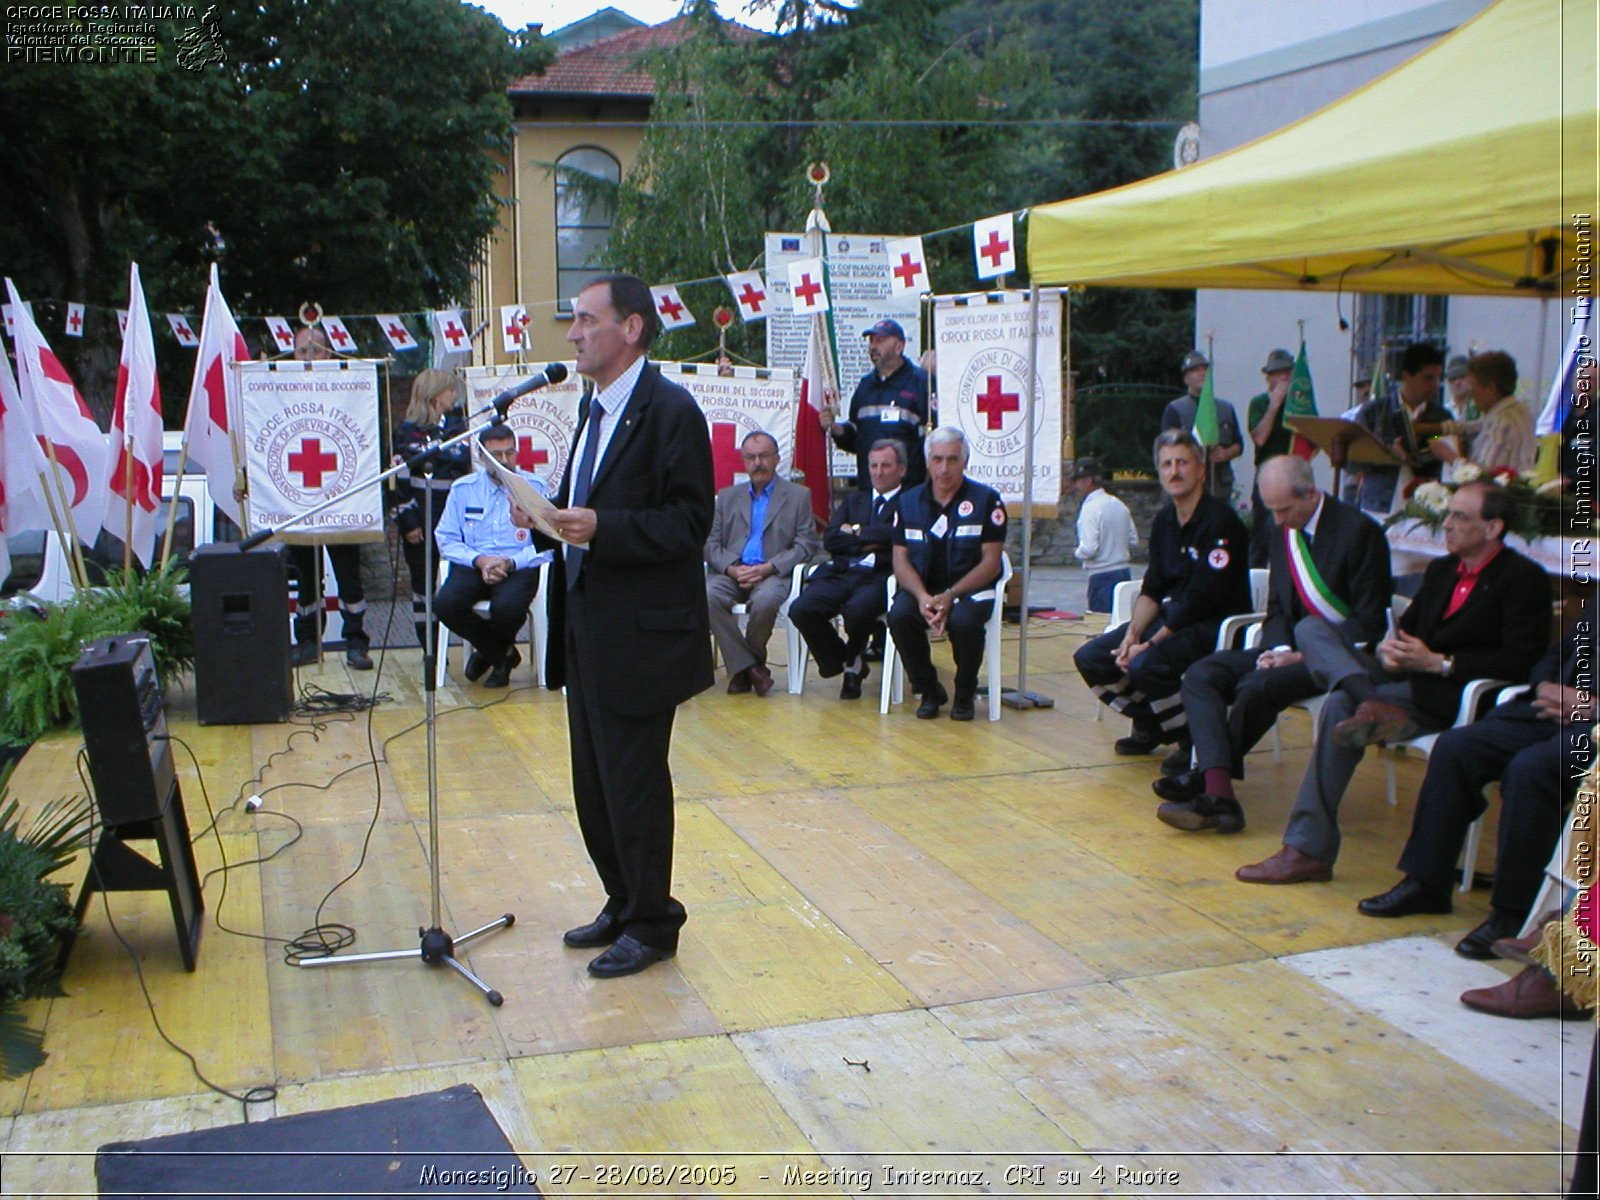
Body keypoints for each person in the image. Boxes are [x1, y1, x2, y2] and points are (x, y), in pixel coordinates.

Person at [513, 273, 715, 979]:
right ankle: (624, 898)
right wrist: (542, 521)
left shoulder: (670, 411)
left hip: (643, 634)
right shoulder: (593, 410)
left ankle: (655, 921)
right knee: (593, 782)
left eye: (585, 320)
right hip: (587, 627)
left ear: (631, 328)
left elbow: (691, 523)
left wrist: (603, 528)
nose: (572, 334)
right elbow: (581, 510)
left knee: (633, 784)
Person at [1236, 481, 1550, 886]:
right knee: (1313, 630)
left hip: (1455, 691)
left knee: (1336, 705)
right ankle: (1368, 701)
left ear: (1493, 528)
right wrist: (1393, 648)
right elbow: (1412, 629)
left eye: (1459, 517)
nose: (1447, 525)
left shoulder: (1524, 578)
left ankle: (1306, 849)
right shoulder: (1441, 570)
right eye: (1448, 513)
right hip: (1404, 679)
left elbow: (1522, 659)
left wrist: (1442, 663)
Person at [1154, 455, 1392, 833]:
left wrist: (1303, 654)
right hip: (1287, 651)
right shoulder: (1283, 529)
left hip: (1338, 659)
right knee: (1202, 674)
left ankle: (1209, 785)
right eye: (1272, 511)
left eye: (1284, 510)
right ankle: (1221, 795)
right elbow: (1278, 606)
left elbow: (1369, 622)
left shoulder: (1359, 532)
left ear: (1311, 493)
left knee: (1257, 685)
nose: (1279, 521)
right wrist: (1278, 650)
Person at [1357, 592, 1595, 950]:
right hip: (1554, 708)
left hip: (1593, 727)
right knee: (1457, 747)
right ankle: (1427, 883)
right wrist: (1546, 685)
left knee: (1530, 770)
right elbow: (1560, 650)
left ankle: (1513, 912)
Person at [1075, 430, 1251, 759]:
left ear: (1200, 470)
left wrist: (1150, 643)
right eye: (1166, 464)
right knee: (1093, 657)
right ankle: (1150, 722)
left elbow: (1202, 598)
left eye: (1182, 462)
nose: (1174, 471)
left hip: (1216, 624)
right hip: (1175, 618)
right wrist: (1132, 634)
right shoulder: (1165, 521)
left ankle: (1190, 740)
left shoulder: (1221, 522)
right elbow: (1153, 586)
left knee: (1147, 662)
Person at [889, 426, 1005, 721]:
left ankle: (964, 693)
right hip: (924, 588)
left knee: (966, 623)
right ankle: (928, 690)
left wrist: (952, 596)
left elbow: (991, 562)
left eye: (953, 459)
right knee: (899, 616)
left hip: (970, 590)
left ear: (965, 462)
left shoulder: (987, 500)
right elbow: (900, 560)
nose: (944, 468)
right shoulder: (907, 501)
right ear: (928, 461)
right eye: (938, 459)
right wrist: (921, 596)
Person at [703, 431, 821, 697]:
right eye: (751, 457)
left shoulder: (798, 496)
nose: (758, 463)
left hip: (772, 572)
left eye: (764, 456)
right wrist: (732, 568)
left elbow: (806, 544)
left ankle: (743, 669)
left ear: (777, 458)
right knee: (708, 595)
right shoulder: (727, 496)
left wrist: (769, 567)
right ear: (743, 462)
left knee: (766, 600)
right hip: (732, 571)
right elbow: (710, 544)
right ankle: (752, 667)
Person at [433, 424, 550, 688]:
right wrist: (479, 560)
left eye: (510, 453)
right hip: (474, 562)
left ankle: (488, 656)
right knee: (445, 604)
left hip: (519, 564)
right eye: (497, 455)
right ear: (482, 456)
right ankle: (503, 654)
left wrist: (511, 562)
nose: (505, 461)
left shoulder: (534, 487)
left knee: (508, 608)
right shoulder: (464, 488)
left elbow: (548, 543)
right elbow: (446, 538)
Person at [788, 439, 905, 699]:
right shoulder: (855, 500)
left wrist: (855, 531)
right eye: (873, 465)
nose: (878, 471)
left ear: (901, 470)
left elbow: (900, 535)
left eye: (886, 465)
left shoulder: (910, 502)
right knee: (801, 609)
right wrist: (871, 539)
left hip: (880, 576)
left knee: (856, 611)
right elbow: (830, 538)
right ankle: (842, 662)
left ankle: (853, 661)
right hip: (843, 571)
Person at [287, 324, 373, 670]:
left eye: (315, 351)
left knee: (349, 578)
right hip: (297, 499)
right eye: (301, 351)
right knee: (306, 580)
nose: (308, 358)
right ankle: (307, 641)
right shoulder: (277, 391)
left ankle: (356, 643)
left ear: (329, 353)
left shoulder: (346, 387)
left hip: (341, 500)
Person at [392, 369, 471, 652]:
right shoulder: (406, 431)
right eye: (450, 390)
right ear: (436, 393)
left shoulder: (459, 427)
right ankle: (430, 646)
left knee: (459, 580)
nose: (454, 395)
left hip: (456, 517)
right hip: (421, 516)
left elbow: (462, 459)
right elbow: (397, 481)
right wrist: (407, 521)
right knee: (424, 584)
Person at [823, 319, 930, 488]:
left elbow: (932, 440)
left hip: (909, 492)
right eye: (871, 341)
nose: (873, 346)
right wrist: (836, 429)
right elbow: (857, 437)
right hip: (869, 490)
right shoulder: (865, 386)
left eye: (880, 341)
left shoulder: (921, 383)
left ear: (899, 347)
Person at [1350, 341, 1448, 512]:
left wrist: (1433, 446)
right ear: (1406, 376)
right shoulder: (1374, 412)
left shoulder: (1442, 417)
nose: (1435, 385)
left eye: (1438, 378)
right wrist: (1388, 453)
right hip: (1378, 505)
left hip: (1424, 509)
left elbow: (1444, 459)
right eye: (1428, 378)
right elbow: (1352, 460)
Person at [1427, 350, 1536, 475]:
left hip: (1497, 493)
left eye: (1474, 387)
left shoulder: (1502, 422)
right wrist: (1432, 429)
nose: (1472, 394)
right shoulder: (1520, 411)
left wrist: (1449, 456)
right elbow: (1474, 426)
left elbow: (1482, 475)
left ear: (1490, 389)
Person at [1161, 350, 1243, 502]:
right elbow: (1167, 449)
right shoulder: (1175, 409)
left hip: (1218, 486)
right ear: (1186, 379)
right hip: (1188, 486)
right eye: (1195, 370)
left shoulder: (1225, 408)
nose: (1201, 373)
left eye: (1204, 369)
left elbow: (1239, 444)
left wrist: (1225, 453)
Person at [1245, 348, 1297, 568]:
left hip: (1292, 474)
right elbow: (1260, 438)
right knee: (1262, 534)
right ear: (1269, 377)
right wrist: (1275, 405)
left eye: (1287, 372)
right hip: (1267, 474)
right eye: (1278, 373)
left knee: (1290, 534)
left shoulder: (1297, 404)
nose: (1284, 377)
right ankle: (1255, 582)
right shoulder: (1259, 403)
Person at [1069, 457, 1137, 613]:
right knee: (1121, 623)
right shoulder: (1119, 504)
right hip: (1123, 573)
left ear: (1088, 481)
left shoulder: (1090, 508)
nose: (1076, 485)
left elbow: (1089, 549)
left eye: (1078, 480)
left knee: (1100, 625)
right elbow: (1133, 539)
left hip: (1101, 575)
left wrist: (1076, 552)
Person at [1444, 354, 1477, 421]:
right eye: (1452, 379)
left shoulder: (1480, 408)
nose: (1457, 382)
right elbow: (1435, 432)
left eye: (1462, 377)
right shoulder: (1443, 410)